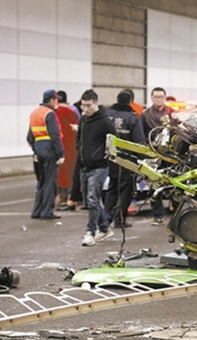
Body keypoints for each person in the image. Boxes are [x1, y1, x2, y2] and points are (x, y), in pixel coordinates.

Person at [78, 89, 117, 246]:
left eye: (88, 105)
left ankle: (90, 232)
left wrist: (105, 156)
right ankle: (105, 228)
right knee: (91, 201)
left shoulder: (105, 122)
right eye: (83, 105)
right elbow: (79, 140)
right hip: (85, 166)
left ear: (96, 103)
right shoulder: (83, 120)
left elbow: (114, 141)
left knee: (92, 199)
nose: (85, 109)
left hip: (100, 166)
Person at [104, 90, 145, 229]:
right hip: (127, 160)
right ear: (130, 102)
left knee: (112, 188)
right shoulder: (133, 118)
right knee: (126, 190)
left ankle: (106, 219)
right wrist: (142, 160)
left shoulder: (107, 115)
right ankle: (120, 219)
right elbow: (139, 142)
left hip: (110, 158)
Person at [27, 89, 64, 220]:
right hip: (49, 149)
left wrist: (36, 149)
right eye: (56, 100)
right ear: (52, 100)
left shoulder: (34, 113)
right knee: (50, 181)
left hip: (39, 149)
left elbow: (29, 136)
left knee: (41, 181)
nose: (57, 102)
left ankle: (36, 211)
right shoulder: (50, 113)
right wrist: (60, 153)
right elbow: (55, 135)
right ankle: (47, 211)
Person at [141, 87, 174, 226]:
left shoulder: (172, 113)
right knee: (154, 183)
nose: (158, 99)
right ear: (151, 98)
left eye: (161, 97)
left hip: (171, 153)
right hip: (153, 152)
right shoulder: (145, 115)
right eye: (156, 97)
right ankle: (157, 215)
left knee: (174, 182)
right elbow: (141, 133)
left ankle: (176, 213)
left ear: (165, 98)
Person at [54, 91, 80, 211]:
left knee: (59, 172)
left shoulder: (53, 112)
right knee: (71, 171)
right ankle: (73, 196)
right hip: (71, 145)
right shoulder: (72, 111)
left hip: (58, 145)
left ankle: (62, 196)